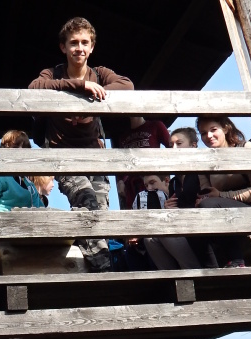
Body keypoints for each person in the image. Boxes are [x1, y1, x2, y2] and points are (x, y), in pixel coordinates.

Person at [29, 16, 134, 272]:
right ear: (63, 47)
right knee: (85, 199)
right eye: (73, 43)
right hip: (63, 157)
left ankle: (95, 265)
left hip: (95, 157)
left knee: (100, 212)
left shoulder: (100, 73)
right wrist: (80, 87)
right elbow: (34, 87)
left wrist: (93, 87)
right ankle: (104, 272)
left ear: (92, 47)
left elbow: (127, 85)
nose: (79, 48)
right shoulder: (53, 73)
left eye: (85, 43)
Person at [195, 116, 251, 268]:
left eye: (213, 130)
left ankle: (237, 261)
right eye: (203, 133)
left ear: (226, 128)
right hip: (222, 208)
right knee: (195, 215)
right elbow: (206, 194)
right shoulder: (204, 162)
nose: (208, 136)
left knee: (209, 206)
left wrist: (221, 195)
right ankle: (211, 270)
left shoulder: (246, 149)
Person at [129, 174, 201, 271]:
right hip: (167, 240)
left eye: (152, 183)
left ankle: (192, 272)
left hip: (191, 233)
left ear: (166, 181)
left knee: (162, 233)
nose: (149, 188)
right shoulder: (146, 198)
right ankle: (170, 277)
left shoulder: (178, 187)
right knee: (148, 240)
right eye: (146, 185)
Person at [112, 117, 172, 209]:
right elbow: (120, 161)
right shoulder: (122, 135)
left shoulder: (156, 125)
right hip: (131, 186)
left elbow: (172, 148)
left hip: (152, 181)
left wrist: (164, 175)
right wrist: (120, 181)